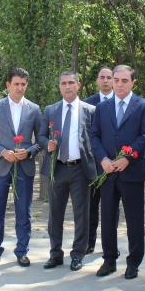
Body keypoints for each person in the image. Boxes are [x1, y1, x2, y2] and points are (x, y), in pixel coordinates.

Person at [90, 65, 145, 279]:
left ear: (133, 82)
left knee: (134, 219)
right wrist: (103, 159)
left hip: (132, 171)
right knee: (107, 217)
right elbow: (94, 136)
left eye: (124, 81)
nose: (118, 84)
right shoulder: (102, 107)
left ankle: (134, 262)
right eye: (116, 80)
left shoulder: (143, 106)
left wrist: (128, 158)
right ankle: (109, 260)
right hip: (107, 172)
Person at [0, 67, 44, 266]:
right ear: (8, 85)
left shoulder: (34, 109)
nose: (20, 88)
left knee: (24, 211)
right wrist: (2, 151)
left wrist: (30, 151)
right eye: (16, 84)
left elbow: (41, 139)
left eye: (23, 84)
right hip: (0, 167)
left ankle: (22, 250)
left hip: (24, 167)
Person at [40, 72, 98, 271]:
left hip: (80, 169)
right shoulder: (51, 110)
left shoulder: (90, 110)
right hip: (57, 169)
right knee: (54, 214)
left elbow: (96, 138)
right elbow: (40, 135)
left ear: (78, 85)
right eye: (63, 83)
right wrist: (47, 143)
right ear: (59, 87)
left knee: (81, 215)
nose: (67, 87)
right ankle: (55, 254)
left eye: (71, 83)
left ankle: (77, 254)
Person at [83, 67, 117, 254]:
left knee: (111, 209)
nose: (105, 81)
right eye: (102, 78)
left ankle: (110, 246)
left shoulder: (120, 102)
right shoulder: (87, 104)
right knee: (91, 206)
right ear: (96, 80)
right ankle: (89, 242)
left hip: (114, 164)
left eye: (109, 78)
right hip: (92, 164)